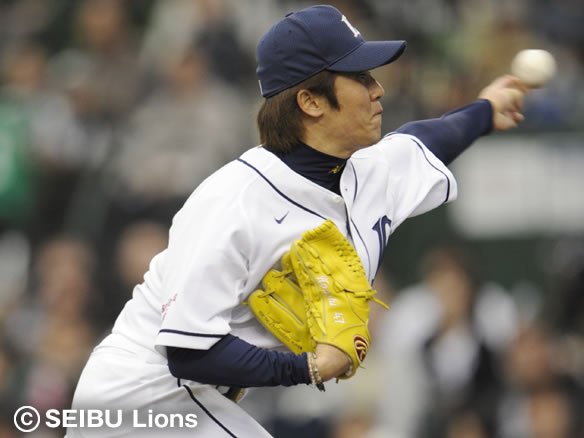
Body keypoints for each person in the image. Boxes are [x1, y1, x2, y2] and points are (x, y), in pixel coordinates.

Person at [67, 4, 527, 437]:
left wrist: (486, 109)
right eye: (359, 76)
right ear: (310, 101)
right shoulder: (233, 201)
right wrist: (307, 367)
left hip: (198, 398)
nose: (378, 88)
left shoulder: (369, 173)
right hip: (140, 395)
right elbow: (188, 351)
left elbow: (429, 139)